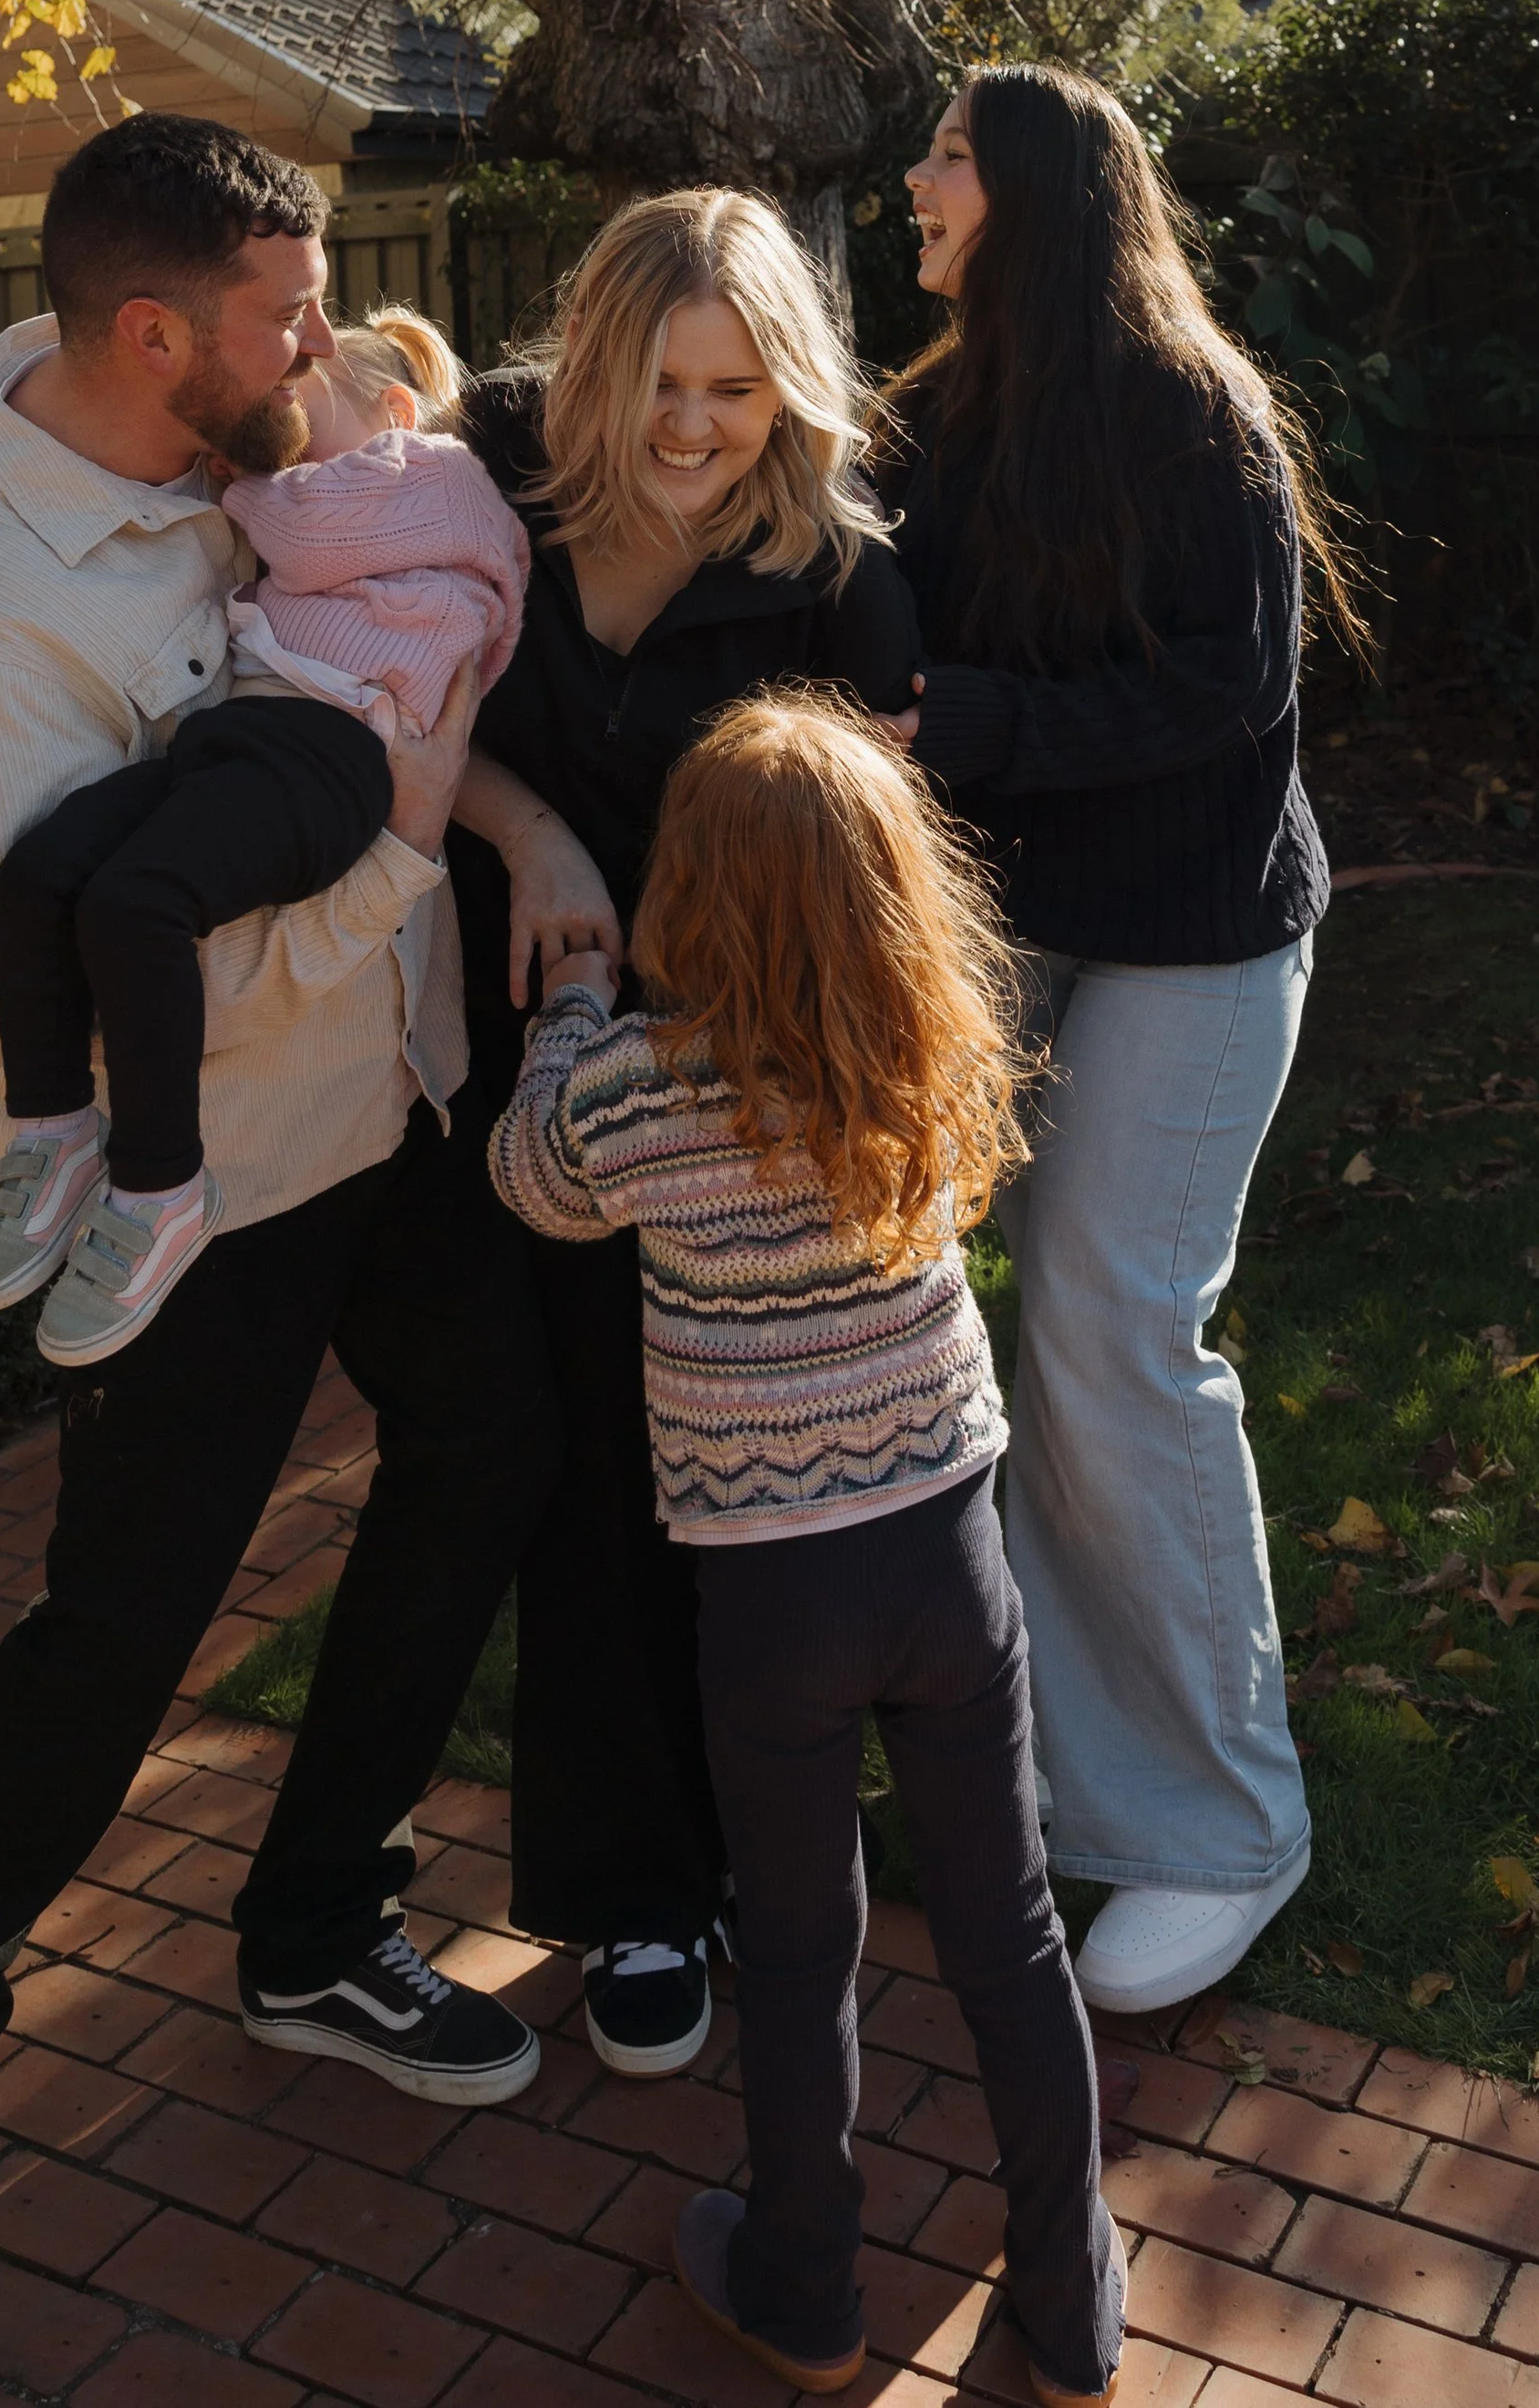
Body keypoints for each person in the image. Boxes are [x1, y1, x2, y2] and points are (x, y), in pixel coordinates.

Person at [0, 118, 557, 2332]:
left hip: (390, 1104)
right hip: (195, 1182)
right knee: (116, 1637)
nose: (323, 344)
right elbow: (129, 967)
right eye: (284, 310)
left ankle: (319, 1921)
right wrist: (417, 855)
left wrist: (497, 823)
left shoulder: (219, 447)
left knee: (493, 1447)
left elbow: (378, 672)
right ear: (153, 335)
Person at [491, 693, 1125, 2408]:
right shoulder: (920, 1061)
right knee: (1009, 1936)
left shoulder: (636, 1093)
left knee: (794, 1943)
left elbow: (530, 1180)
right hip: (944, 1560)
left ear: (686, 888)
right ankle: (1071, 2310)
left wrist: (567, 1008)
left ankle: (807, 2288)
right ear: (895, 896)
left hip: (769, 1591)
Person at [883, 60, 1352, 2019]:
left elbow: (1224, 697)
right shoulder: (928, 418)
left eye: (943, 157)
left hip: (1191, 938)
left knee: (1105, 1325)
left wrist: (969, 728)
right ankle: (1080, 1786)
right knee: (958, 1331)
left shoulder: (1193, 415)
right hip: (1008, 935)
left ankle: (1222, 1831)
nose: (910, 182)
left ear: (1039, 198)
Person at [446, 190, 922, 2078]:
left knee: (753, 1497)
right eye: (659, 381)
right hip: (535, 1059)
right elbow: (383, 697)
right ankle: (631, 1890)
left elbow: (869, 870)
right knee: (580, 1479)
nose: (692, 428)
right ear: (590, 361)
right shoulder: (482, 477)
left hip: (732, 1098)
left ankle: (770, 1857)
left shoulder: (838, 574)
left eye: (734, 389)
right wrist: (528, 832)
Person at [0, 306, 528, 1364]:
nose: (262, 455)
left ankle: (162, 1181)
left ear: (395, 412)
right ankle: (52, 1131)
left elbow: (304, 533)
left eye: (298, 418)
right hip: (252, 734)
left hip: (339, 760)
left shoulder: (437, 478)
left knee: (140, 906)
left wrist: (231, 473)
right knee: (44, 868)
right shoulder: (330, 494)